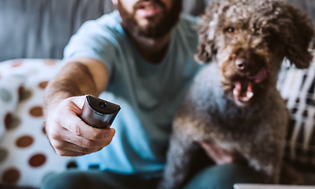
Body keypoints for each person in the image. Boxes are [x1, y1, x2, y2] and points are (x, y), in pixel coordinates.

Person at [41, 0, 263, 188]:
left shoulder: (208, 37)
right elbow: (82, 71)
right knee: (63, 184)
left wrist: (240, 151)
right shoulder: (101, 36)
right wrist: (60, 105)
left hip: (190, 177)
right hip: (112, 177)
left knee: (234, 177)